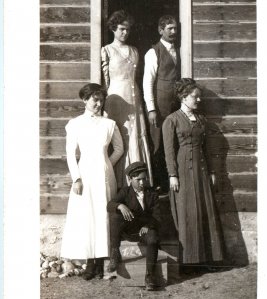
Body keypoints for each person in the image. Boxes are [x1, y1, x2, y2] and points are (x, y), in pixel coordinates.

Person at [60, 83, 124, 280]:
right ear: (84, 100)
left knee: (103, 215)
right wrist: (76, 178)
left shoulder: (109, 124)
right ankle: (89, 263)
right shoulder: (75, 124)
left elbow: (119, 149)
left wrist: (107, 164)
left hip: (104, 175)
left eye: (101, 99)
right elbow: (71, 153)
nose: (98, 103)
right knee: (86, 216)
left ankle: (100, 262)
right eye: (94, 99)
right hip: (84, 174)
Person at [162, 78, 224, 268]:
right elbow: (169, 150)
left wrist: (212, 171)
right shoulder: (171, 120)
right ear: (183, 97)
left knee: (205, 211)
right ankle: (189, 262)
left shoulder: (201, 119)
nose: (198, 100)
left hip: (202, 170)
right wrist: (172, 174)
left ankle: (208, 259)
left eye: (199, 97)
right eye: (194, 97)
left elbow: (206, 148)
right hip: (182, 172)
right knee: (187, 212)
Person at [101, 10, 153, 189]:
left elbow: (136, 76)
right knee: (120, 137)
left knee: (136, 134)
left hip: (134, 96)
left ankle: (137, 182)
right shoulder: (107, 50)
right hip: (116, 98)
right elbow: (105, 79)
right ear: (114, 29)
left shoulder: (135, 51)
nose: (125, 33)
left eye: (128, 30)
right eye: (122, 29)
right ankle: (120, 183)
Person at [106, 161, 160, 291]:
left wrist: (148, 225)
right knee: (115, 215)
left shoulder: (152, 193)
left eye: (144, 179)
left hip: (145, 231)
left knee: (153, 239)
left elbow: (158, 215)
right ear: (130, 179)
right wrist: (120, 205)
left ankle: (150, 276)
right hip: (129, 232)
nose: (142, 183)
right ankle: (114, 253)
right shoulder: (125, 192)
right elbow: (109, 205)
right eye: (138, 180)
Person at [143, 15, 181, 193]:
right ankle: (158, 183)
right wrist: (151, 108)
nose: (173, 32)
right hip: (159, 106)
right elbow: (147, 82)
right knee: (158, 143)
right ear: (160, 30)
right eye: (169, 29)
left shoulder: (179, 50)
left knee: (173, 140)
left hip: (175, 105)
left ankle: (170, 179)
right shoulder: (153, 52)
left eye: (175, 28)